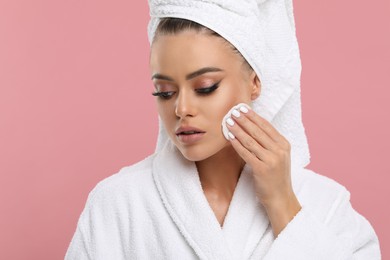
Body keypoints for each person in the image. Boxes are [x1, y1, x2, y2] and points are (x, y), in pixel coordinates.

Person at [65, 0, 381, 259]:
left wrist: (283, 203)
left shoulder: (325, 205)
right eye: (164, 91)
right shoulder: (118, 203)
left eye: (206, 87)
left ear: (254, 83)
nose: (181, 109)